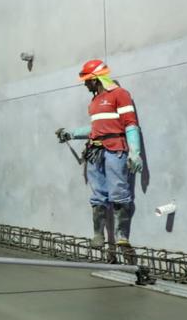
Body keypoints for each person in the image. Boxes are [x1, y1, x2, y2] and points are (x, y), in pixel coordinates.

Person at [56, 59, 143, 248]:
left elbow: (130, 124)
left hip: (115, 151)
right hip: (96, 153)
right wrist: (71, 134)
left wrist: (135, 152)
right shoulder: (94, 102)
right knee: (97, 196)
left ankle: (122, 237)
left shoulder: (120, 95)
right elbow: (96, 129)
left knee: (119, 193)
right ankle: (98, 235)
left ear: (96, 79)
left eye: (87, 80)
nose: (86, 84)